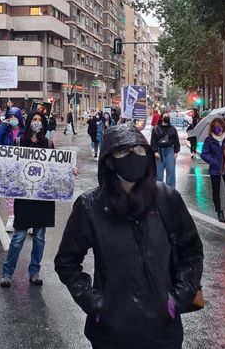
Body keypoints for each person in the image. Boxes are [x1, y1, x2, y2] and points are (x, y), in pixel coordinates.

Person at [54, 123, 204, 348]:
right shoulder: (90, 206)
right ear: (109, 159)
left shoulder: (167, 199)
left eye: (139, 150)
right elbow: (67, 263)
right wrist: (96, 306)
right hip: (111, 335)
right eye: (123, 151)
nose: (133, 157)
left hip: (162, 334)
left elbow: (191, 253)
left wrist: (175, 300)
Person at [0, 112, 78, 287]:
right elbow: (11, 167)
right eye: (34, 120)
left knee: (39, 238)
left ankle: (34, 271)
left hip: (42, 199)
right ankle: (7, 273)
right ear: (28, 123)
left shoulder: (48, 144)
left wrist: (69, 171)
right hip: (25, 198)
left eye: (39, 120)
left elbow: (56, 168)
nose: (37, 123)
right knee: (18, 237)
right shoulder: (19, 142)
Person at [0, 107, 25, 231]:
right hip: (8, 166)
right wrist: (3, 126)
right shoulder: (5, 131)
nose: (12, 119)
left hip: (22, 166)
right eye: (10, 117)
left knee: (24, 193)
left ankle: (27, 220)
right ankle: (11, 217)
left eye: (15, 116)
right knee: (10, 192)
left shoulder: (25, 131)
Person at [150, 112, 181, 187]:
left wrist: (176, 152)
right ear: (161, 118)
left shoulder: (172, 129)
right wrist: (155, 151)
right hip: (159, 150)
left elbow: (176, 140)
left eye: (168, 116)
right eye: (165, 116)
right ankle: (158, 190)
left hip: (170, 150)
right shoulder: (156, 129)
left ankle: (170, 191)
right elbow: (153, 141)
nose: (167, 117)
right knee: (159, 172)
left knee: (171, 171)